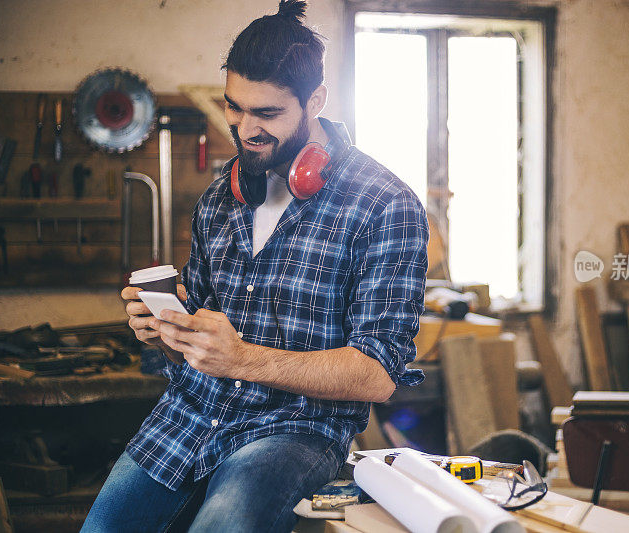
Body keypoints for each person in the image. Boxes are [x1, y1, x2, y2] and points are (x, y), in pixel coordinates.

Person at [80, 1, 428, 531]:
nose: (245, 130)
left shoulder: (385, 206)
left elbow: (378, 375)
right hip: (191, 414)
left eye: (267, 115)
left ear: (316, 101)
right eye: (234, 109)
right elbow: (195, 339)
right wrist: (161, 330)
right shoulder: (222, 194)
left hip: (296, 430)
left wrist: (241, 358)